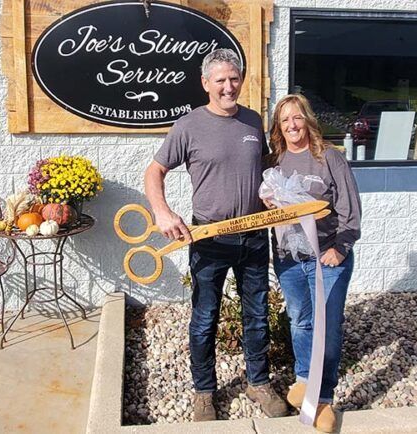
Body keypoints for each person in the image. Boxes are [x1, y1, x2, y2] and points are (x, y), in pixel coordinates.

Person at [144, 48, 289, 422]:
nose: (228, 87)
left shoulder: (253, 122)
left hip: (254, 235)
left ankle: (258, 383)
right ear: (206, 83)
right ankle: (204, 392)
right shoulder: (189, 126)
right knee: (205, 316)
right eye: (220, 80)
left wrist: (274, 194)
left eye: (234, 79)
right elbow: (154, 171)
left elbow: (262, 170)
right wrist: (162, 211)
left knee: (256, 313)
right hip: (208, 239)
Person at [264, 94, 361, 433]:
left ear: (307, 120)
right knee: (301, 321)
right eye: (285, 120)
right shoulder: (275, 160)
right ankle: (304, 382)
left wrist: (341, 248)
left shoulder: (329, 158)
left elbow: (351, 212)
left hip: (328, 259)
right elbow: (271, 215)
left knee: (328, 327)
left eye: (297, 118)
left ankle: (324, 399)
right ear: (278, 127)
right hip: (290, 260)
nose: (292, 125)